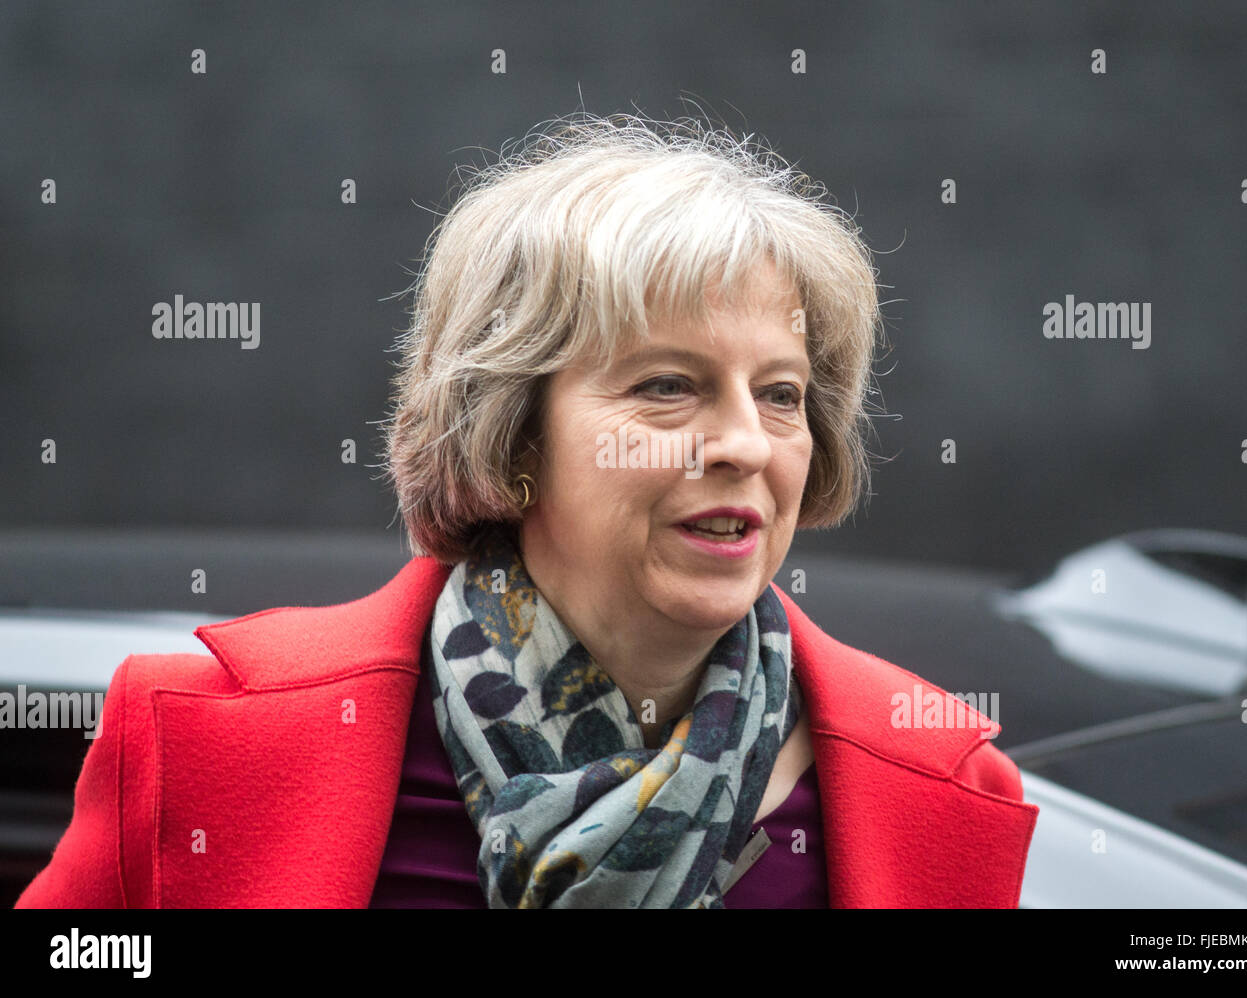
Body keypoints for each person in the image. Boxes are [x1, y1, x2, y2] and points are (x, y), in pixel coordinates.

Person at [16, 113, 1037, 909]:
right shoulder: (213, 738)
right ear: (512, 433)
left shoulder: (936, 781)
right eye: (666, 385)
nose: (745, 441)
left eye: (780, 394)